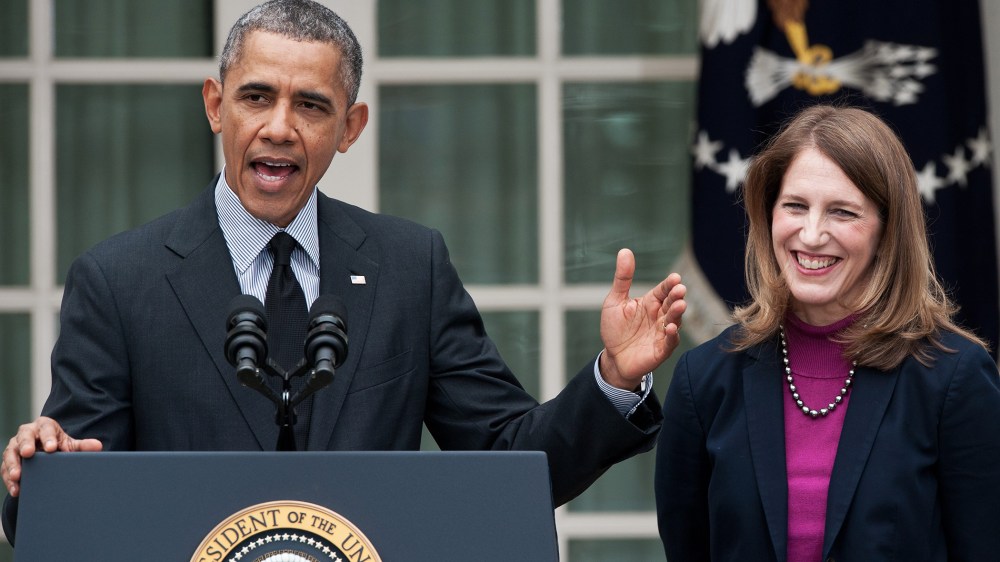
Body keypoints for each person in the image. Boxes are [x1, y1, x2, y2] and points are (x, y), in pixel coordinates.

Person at [0, 0, 687, 542]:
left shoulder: (409, 267)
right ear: (216, 105)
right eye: (256, 97)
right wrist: (41, 474)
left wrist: (614, 379)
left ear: (350, 127)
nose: (278, 127)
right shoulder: (120, 282)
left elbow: (512, 461)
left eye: (311, 105)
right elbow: (70, 503)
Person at [655, 104, 1000, 561]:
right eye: (795, 206)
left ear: (887, 231)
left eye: (842, 212)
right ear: (769, 214)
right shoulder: (705, 380)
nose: (812, 234)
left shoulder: (953, 378)